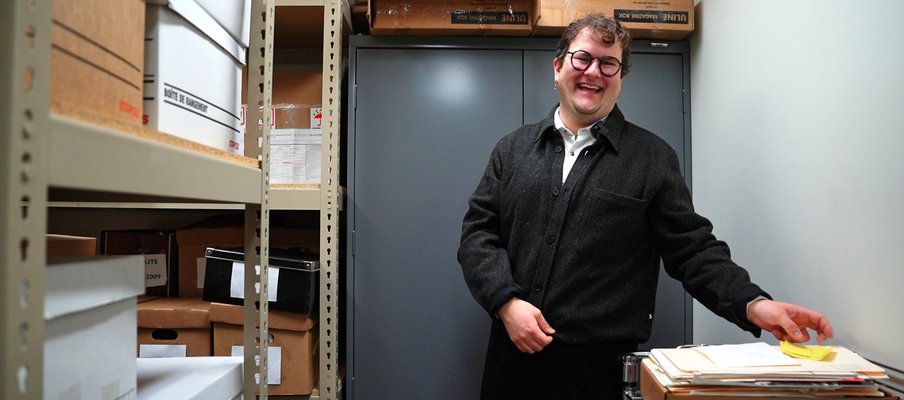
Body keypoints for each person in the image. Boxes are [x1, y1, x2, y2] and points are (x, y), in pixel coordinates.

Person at [457, 13, 833, 400]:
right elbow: (478, 235)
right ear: (558, 67)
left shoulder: (652, 158)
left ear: (621, 78)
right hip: (510, 361)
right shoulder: (513, 150)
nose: (594, 72)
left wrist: (752, 304)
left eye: (609, 63)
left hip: (598, 373)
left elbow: (692, 249)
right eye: (582, 58)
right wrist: (506, 302)